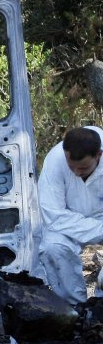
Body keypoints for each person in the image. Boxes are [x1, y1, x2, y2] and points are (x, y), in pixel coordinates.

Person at [33, 126, 103, 305]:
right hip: (68, 220)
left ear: (99, 155)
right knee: (52, 247)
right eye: (72, 167)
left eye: (84, 168)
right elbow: (53, 214)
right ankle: (74, 307)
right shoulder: (56, 159)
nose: (77, 172)